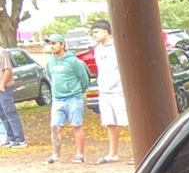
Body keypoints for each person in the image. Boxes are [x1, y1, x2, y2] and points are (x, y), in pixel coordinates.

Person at [44, 35, 90, 165]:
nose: (52, 46)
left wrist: (77, 91)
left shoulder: (73, 61)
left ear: (62, 45)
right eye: (50, 44)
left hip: (73, 98)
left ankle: (80, 154)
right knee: (55, 127)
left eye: (54, 43)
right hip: (57, 99)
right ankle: (55, 155)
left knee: (76, 126)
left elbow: (84, 79)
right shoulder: (50, 62)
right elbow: (50, 76)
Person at [89, 19, 127, 164]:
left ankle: (137, 151)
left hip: (119, 91)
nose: (94, 35)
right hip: (104, 91)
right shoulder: (97, 49)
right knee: (110, 123)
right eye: (93, 32)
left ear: (106, 31)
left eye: (96, 31)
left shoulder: (117, 47)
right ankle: (113, 153)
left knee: (128, 121)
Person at [0, 46, 27, 149]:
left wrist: (3, 84)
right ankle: (11, 138)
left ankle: (20, 139)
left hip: (5, 88)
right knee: (2, 114)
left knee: (10, 112)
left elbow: (8, 70)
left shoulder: (2, 52)